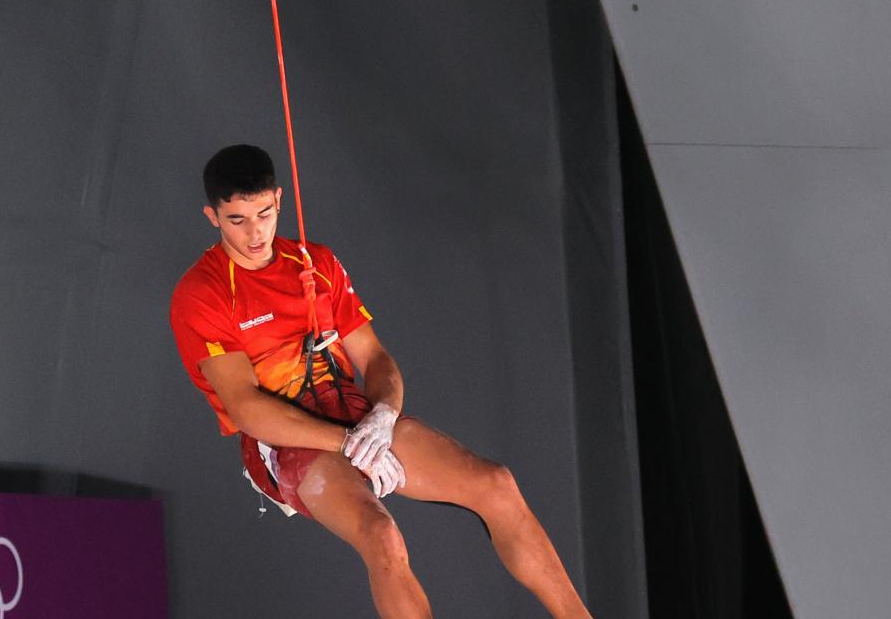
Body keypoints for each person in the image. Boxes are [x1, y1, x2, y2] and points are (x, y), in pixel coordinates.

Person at [170, 144, 593, 619]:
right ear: (213, 217)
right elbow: (248, 408)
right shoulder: (202, 293)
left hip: (351, 412)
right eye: (237, 220)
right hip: (284, 439)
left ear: (280, 201)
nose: (254, 233)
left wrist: (384, 416)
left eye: (264, 214)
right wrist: (349, 442)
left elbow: (374, 358)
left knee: (496, 484)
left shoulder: (317, 263)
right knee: (380, 533)